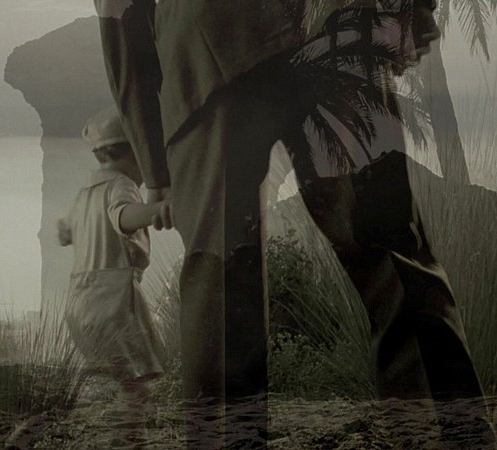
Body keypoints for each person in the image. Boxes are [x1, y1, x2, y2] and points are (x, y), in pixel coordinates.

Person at [94, 0, 494, 447]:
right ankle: (452, 438)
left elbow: (119, 14)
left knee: (222, 278)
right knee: (390, 254)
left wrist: (155, 170)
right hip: (331, 31)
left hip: (210, 53)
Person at [58, 106, 170, 447]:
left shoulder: (83, 193)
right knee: (137, 390)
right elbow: (123, 216)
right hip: (113, 302)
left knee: (117, 382)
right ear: (135, 154)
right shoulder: (122, 185)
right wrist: (157, 211)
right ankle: (128, 443)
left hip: (80, 304)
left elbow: (66, 232)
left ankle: (115, 438)